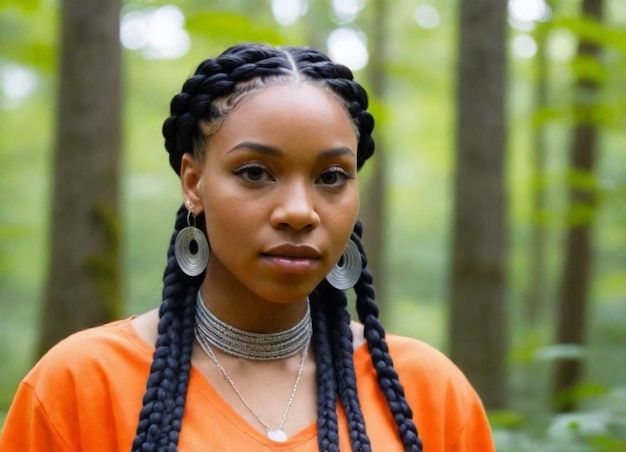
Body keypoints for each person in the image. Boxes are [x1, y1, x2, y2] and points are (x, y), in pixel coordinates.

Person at [0, 43, 494, 451]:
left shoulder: (428, 390)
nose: (300, 211)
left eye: (331, 177)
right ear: (193, 183)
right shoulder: (82, 385)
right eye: (255, 173)